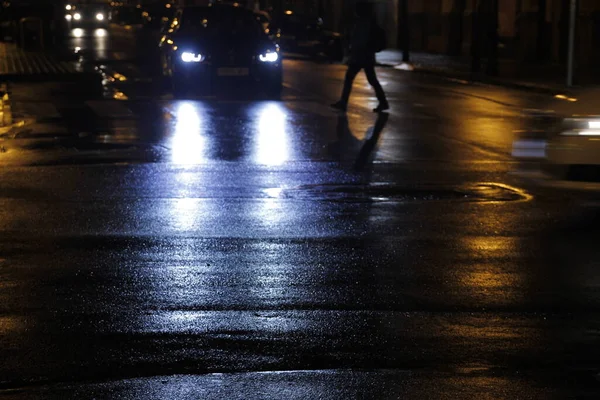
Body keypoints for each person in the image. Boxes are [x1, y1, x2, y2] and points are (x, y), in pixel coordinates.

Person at [331, 1, 388, 113]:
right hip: (366, 56)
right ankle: (383, 102)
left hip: (361, 56)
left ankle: (343, 102)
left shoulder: (363, 23)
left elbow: (360, 40)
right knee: (371, 80)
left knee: (350, 78)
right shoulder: (368, 21)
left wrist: (352, 50)